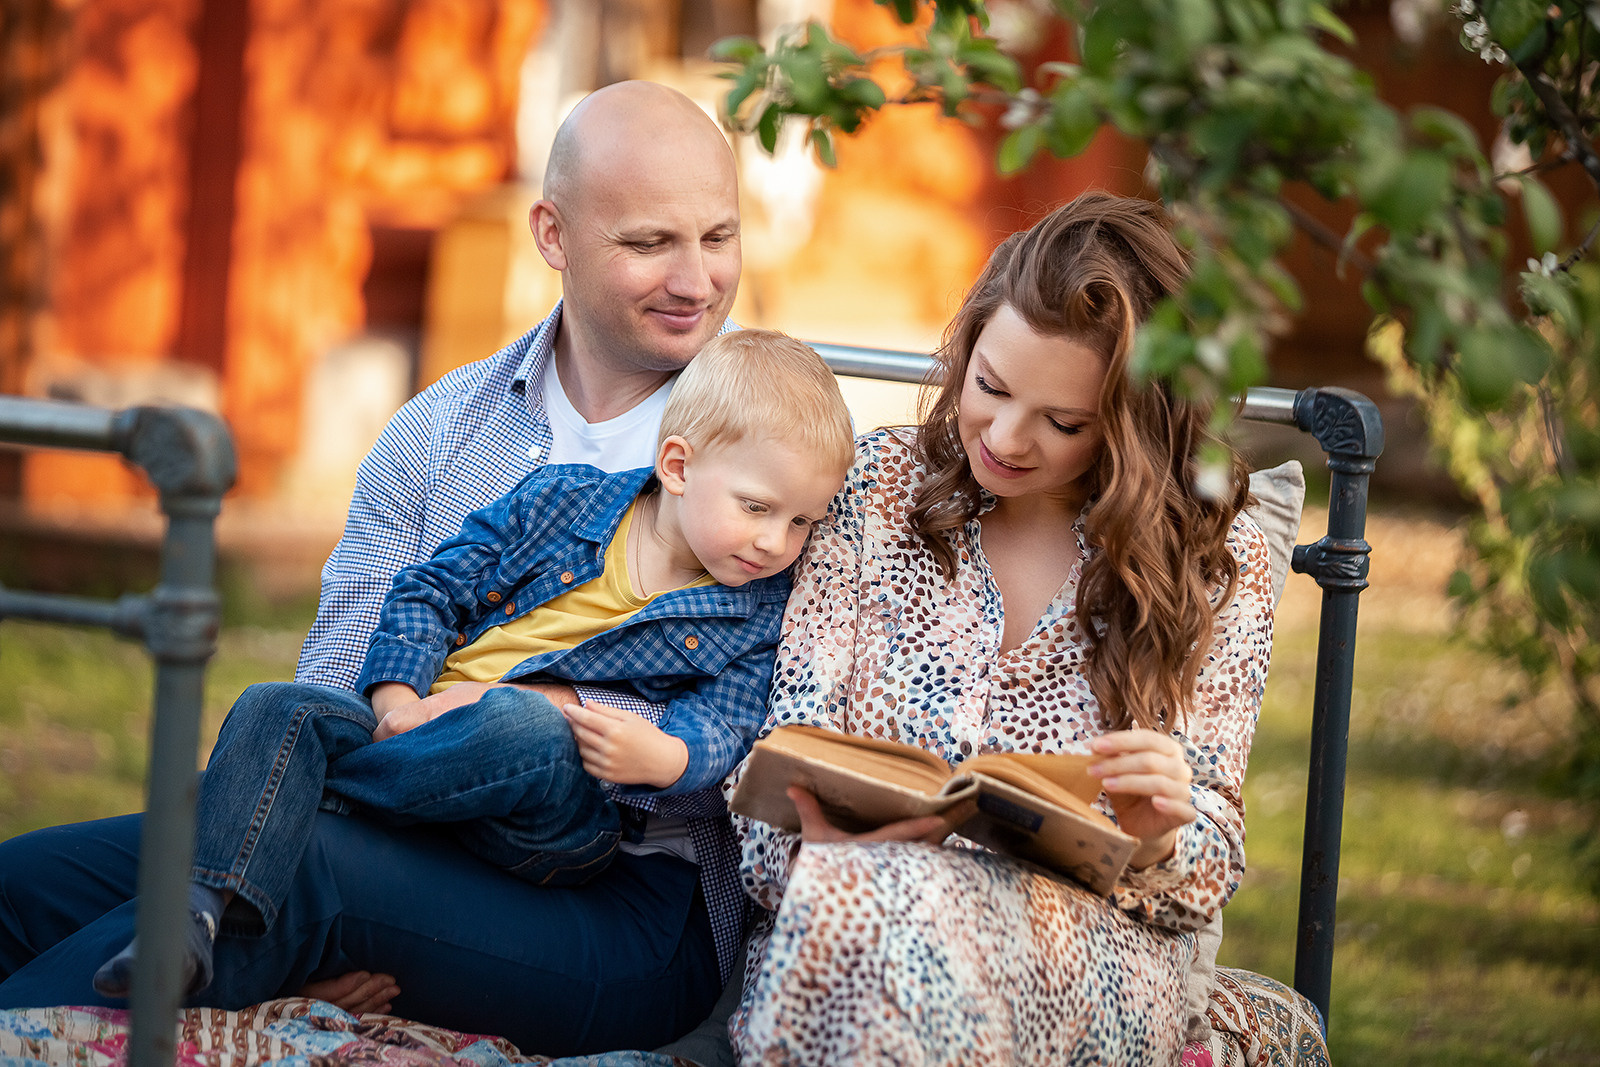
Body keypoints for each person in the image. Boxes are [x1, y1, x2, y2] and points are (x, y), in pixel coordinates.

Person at [0, 81, 763, 1055]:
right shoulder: (442, 430)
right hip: (385, 813)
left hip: (619, 904)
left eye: (719, 236)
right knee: (24, 882)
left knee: (302, 869)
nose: (696, 279)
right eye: (651, 242)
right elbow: (339, 675)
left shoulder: (768, 449)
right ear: (553, 234)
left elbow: (764, 730)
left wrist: (552, 714)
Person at [90, 329, 854, 1002]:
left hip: (556, 816)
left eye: (800, 521)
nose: (775, 543)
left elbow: (731, 714)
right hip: (420, 745)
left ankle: (280, 786)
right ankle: (193, 916)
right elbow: (432, 588)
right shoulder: (561, 501)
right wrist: (395, 699)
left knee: (523, 723)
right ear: (679, 465)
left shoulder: (753, 608)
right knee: (275, 706)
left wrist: (671, 753)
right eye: (757, 507)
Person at [723, 192, 1273, 1064]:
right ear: (969, 345)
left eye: (1063, 423)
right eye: (990, 386)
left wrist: (1161, 832)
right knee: (864, 901)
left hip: (1088, 955)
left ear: (1131, 428)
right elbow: (777, 749)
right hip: (845, 911)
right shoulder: (878, 490)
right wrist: (807, 843)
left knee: (883, 915)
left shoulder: (1208, 555)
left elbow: (1211, 859)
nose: (1008, 437)